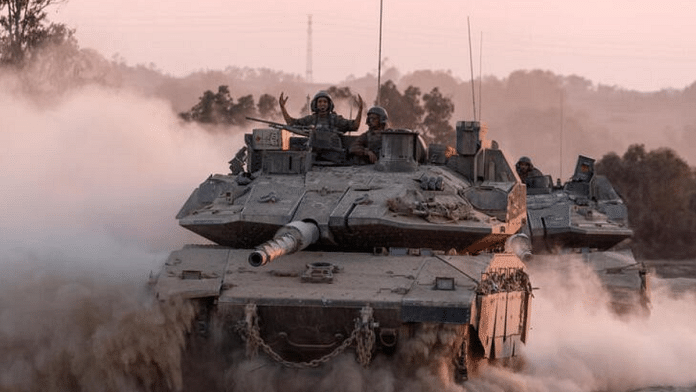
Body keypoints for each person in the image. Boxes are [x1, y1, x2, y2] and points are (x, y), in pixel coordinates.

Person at [279, 90, 363, 134]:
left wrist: (360, 109)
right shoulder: (311, 119)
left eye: (325, 102)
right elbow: (291, 123)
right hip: (314, 154)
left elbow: (355, 126)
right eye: (319, 102)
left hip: (333, 154)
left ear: (329, 104)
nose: (322, 104)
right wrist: (282, 108)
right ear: (315, 104)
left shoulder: (336, 119)